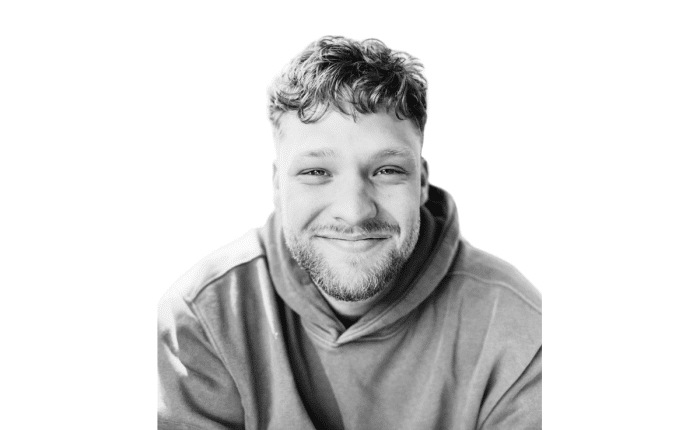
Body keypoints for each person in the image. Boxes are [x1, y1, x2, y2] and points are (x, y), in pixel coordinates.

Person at [158, 35, 542, 430]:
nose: (355, 211)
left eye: (387, 171)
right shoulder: (203, 317)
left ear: (421, 183)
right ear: (277, 184)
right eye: (316, 172)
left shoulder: (519, 330)